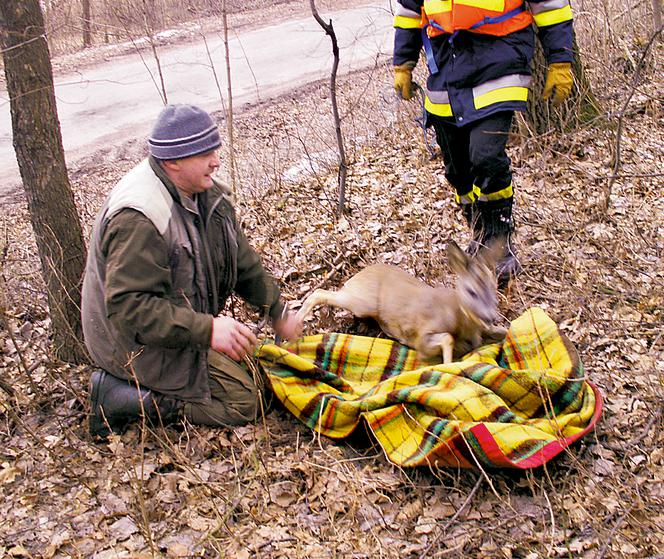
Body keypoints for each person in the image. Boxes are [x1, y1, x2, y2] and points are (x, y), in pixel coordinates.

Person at [82, 104, 302, 438]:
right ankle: (115, 394)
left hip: (180, 327)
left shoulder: (204, 190)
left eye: (215, 151)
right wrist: (208, 329)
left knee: (269, 376)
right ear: (173, 162)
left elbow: (242, 261)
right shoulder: (138, 217)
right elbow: (130, 309)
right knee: (246, 401)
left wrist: (277, 310)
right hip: (131, 345)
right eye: (205, 154)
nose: (216, 161)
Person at [392, 0, 575, 287]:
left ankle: (500, 243)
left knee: (486, 156)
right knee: (457, 169)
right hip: (447, 68)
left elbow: (550, 5)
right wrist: (402, 63)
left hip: (500, 59)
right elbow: (409, 13)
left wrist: (561, 60)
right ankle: (480, 233)